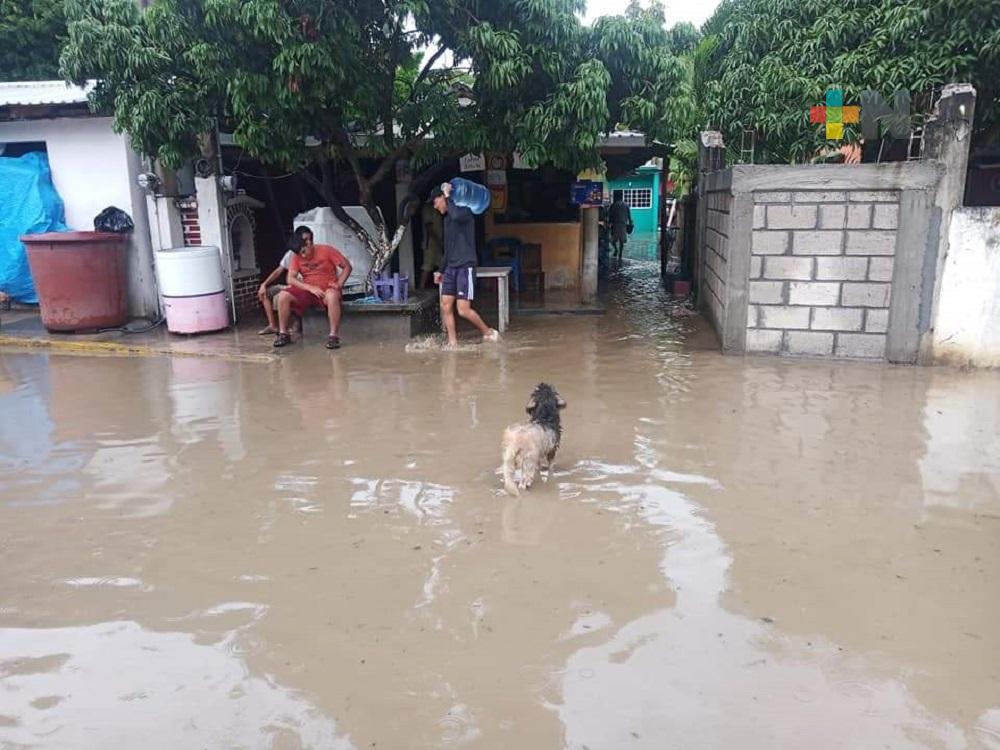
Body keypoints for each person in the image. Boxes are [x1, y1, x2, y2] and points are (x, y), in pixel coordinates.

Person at [431, 183, 499, 347]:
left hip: (465, 266)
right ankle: (452, 342)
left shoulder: (465, 213)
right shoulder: (447, 220)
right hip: (451, 267)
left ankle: (488, 332)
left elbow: (455, 215)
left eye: (435, 202)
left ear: (442, 198)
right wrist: (440, 270)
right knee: (446, 305)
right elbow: (447, 249)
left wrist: (448, 196)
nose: (435, 207)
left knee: (463, 310)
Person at [273, 226, 352, 350]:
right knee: (283, 295)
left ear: (310, 243)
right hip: (309, 291)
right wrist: (310, 288)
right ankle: (283, 333)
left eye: (304, 251)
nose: (303, 256)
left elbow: (347, 267)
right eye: (300, 253)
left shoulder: (327, 250)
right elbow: (290, 279)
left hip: (327, 289)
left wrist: (339, 283)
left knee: (331, 296)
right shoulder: (297, 256)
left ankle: (333, 336)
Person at [256, 235, 303, 335]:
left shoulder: (306, 255)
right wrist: (264, 284)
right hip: (289, 285)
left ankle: (295, 323)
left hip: (300, 287)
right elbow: (278, 271)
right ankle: (272, 325)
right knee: (265, 292)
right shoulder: (290, 254)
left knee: (281, 297)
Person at [419, 200, 443, 290]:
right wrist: (438, 240)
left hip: (438, 241)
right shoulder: (427, 208)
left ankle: (441, 287)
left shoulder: (436, 209)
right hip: (430, 242)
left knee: (441, 264)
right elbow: (429, 227)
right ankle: (421, 287)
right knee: (427, 265)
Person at [608, 191, 633, 262]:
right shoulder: (626, 205)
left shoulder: (613, 205)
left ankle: (616, 250)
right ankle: (620, 255)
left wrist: (609, 224)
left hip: (615, 225)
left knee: (612, 240)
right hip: (623, 225)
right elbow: (629, 216)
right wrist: (630, 223)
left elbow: (610, 216)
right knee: (622, 241)